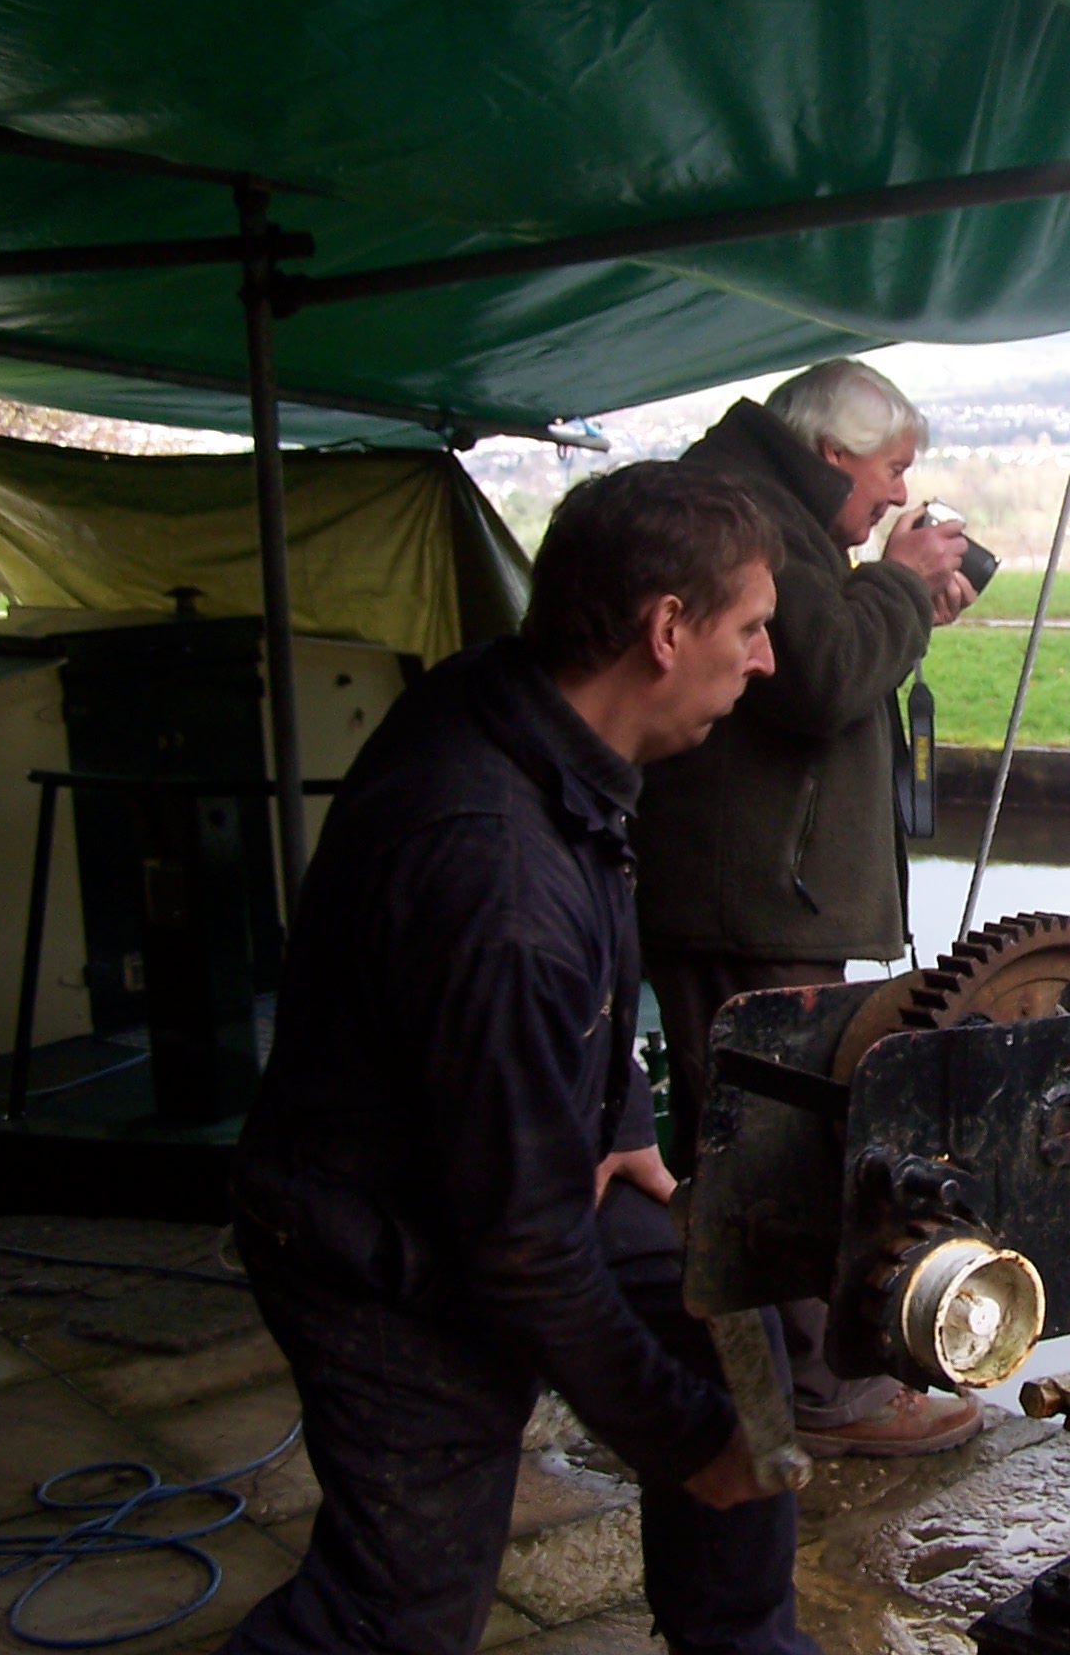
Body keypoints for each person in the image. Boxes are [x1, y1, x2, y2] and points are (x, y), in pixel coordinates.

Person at [226, 463, 813, 1655]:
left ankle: (744, 1644)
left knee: (733, 1342)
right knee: (398, 1612)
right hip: (375, 1240)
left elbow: (594, 951)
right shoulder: (495, 879)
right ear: (665, 630)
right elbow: (526, 1253)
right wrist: (685, 1447)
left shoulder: (524, 714)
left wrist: (623, 1120)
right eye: (751, 629)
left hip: (493, 1173)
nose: (765, 662)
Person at [635, 358, 980, 1459]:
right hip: (754, 904)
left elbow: (828, 653)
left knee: (746, 1133)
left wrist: (906, 598)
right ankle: (824, 1396)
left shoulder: (763, 503)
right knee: (779, 1144)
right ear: (833, 451)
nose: (895, 496)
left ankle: (763, 1373)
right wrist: (897, 581)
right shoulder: (749, 513)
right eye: (891, 471)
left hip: (761, 895)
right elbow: (826, 673)